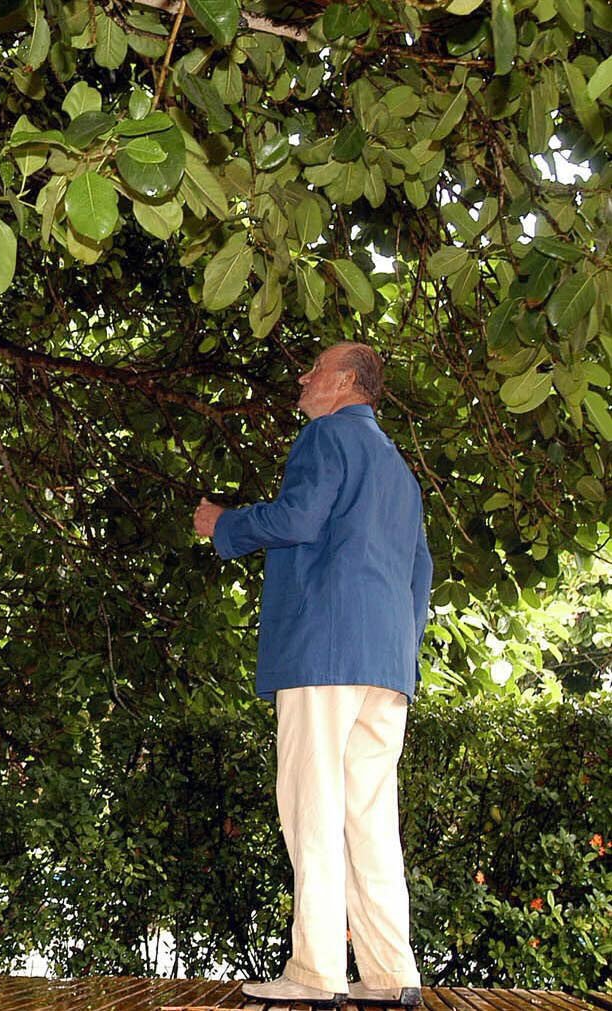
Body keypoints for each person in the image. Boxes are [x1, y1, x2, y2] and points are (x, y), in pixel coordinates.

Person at [192, 342, 432, 1007]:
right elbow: (422, 571)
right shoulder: (399, 470)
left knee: (313, 807)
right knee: (370, 817)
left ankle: (316, 971)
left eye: (316, 369)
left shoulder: (327, 436)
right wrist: (397, 654)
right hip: (385, 664)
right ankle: (391, 974)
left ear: (349, 383)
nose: (304, 377)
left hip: (324, 650)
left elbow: (298, 519)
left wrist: (226, 525)